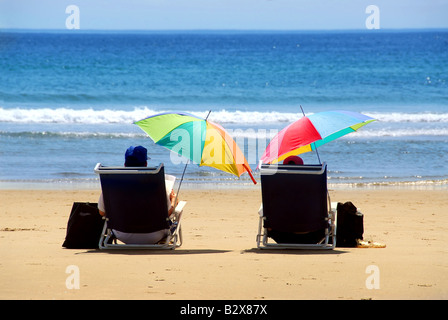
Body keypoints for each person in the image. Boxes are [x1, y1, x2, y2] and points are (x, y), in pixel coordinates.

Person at [97, 145, 179, 244]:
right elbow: (168, 213)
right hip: (154, 234)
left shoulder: (111, 184)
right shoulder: (159, 185)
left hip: (121, 234)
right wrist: (173, 200)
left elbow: (102, 212)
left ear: (125, 164)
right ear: (146, 163)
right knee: (175, 205)